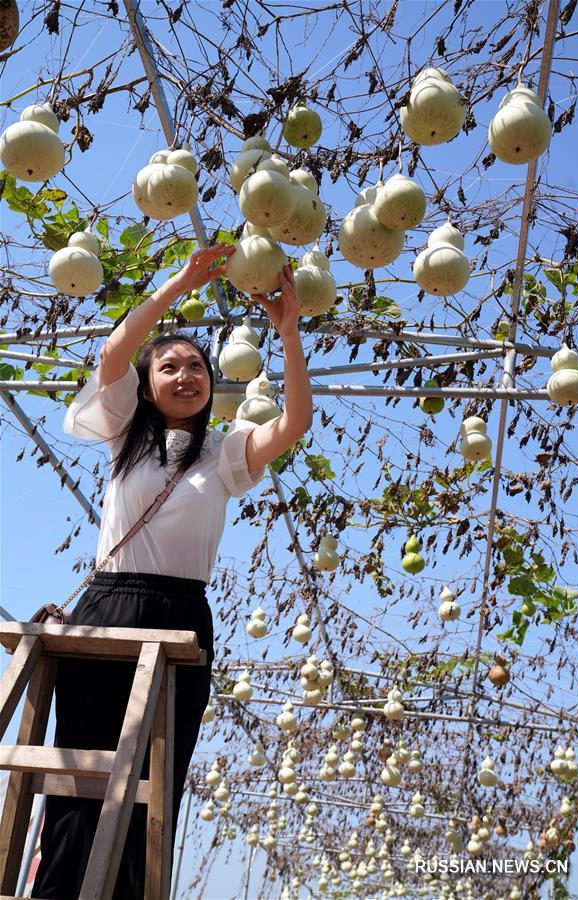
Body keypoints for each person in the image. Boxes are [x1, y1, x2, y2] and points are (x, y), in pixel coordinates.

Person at [32, 243, 313, 899]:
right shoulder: (126, 431)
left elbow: (294, 421)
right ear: (150, 382)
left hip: (183, 616)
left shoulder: (225, 452)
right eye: (169, 366)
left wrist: (290, 335)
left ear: (213, 384)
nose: (185, 375)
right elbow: (112, 355)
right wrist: (178, 283)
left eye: (196, 367)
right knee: (79, 770)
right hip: (107, 606)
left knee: (153, 778)